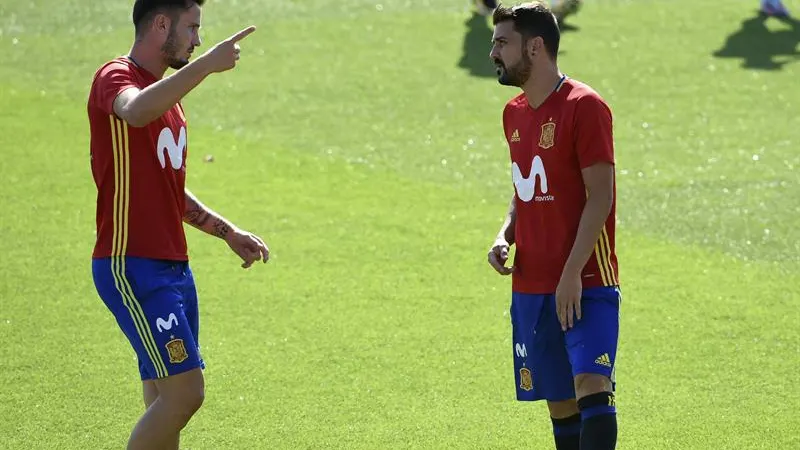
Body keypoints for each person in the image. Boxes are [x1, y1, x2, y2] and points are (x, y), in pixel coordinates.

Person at [86, 1, 268, 448]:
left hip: (173, 266)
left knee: (165, 403)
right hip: (133, 265)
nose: (198, 40)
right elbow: (133, 111)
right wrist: (206, 67)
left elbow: (169, 190)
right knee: (186, 394)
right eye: (192, 28)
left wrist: (226, 231)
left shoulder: (170, 101)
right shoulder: (117, 76)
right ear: (161, 23)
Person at [486, 3, 621, 450]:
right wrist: (505, 232)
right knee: (559, 403)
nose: (493, 53)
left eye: (502, 42)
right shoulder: (513, 113)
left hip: (585, 278)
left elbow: (601, 195)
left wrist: (570, 275)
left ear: (536, 46)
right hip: (531, 283)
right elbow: (525, 185)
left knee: (591, 385)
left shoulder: (586, 106)